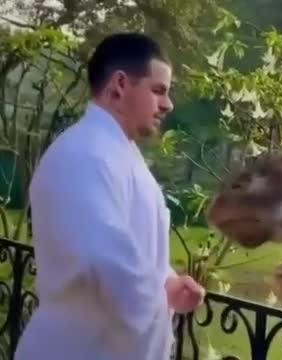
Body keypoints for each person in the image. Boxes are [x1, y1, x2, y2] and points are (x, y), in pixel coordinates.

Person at [14, 32, 205, 360]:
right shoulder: (83, 153)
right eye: (158, 90)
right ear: (119, 85)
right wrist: (156, 302)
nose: (168, 104)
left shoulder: (116, 153)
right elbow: (104, 260)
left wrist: (167, 284)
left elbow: (128, 247)